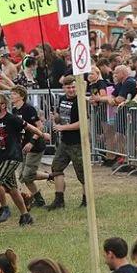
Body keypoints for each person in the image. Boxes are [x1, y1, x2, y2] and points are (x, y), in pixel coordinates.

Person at [0, 93, 46, 226]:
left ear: (3, 105)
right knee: (12, 189)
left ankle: (4, 209)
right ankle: (26, 216)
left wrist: (42, 135)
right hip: (1, 158)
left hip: (12, 156)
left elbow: (31, 127)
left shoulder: (12, 119)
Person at [46, 76, 86, 211]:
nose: (71, 90)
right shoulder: (62, 99)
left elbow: (83, 123)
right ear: (64, 88)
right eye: (68, 87)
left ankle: (86, 201)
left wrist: (62, 128)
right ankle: (59, 201)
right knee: (56, 168)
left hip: (78, 142)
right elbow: (61, 117)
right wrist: (56, 117)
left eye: (73, 87)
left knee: (82, 173)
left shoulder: (80, 101)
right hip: (64, 142)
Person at [10, 86, 51, 209]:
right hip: (22, 147)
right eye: (11, 93)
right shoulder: (14, 110)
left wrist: (32, 142)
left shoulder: (29, 109)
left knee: (27, 175)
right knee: (22, 177)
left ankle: (49, 177)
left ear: (22, 96)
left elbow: (39, 126)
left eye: (14, 94)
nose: (11, 96)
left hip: (35, 146)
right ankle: (39, 199)